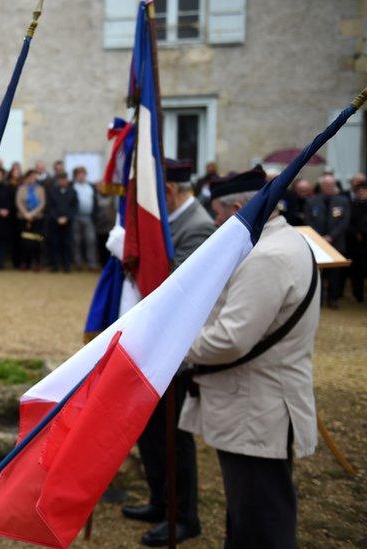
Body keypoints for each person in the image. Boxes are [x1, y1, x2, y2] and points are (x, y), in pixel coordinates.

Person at [180, 170, 320, 549]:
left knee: (262, 523)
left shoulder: (267, 257)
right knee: (247, 517)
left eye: (217, 214)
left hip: (257, 409)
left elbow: (229, 340)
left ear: (239, 209)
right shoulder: (279, 243)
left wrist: (175, 344)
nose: (213, 223)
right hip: (255, 405)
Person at [124, 159, 213, 546]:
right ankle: (160, 500)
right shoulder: (172, 221)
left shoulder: (198, 227)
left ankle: (183, 516)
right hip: (154, 345)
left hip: (177, 348)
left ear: (171, 192)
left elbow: (177, 285)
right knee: (150, 430)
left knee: (174, 437)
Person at [304, 174, 350, 308]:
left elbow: (344, 222)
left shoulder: (343, 201)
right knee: (317, 274)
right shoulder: (311, 201)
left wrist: (331, 236)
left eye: (331, 185)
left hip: (336, 243)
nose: (329, 187)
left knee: (335, 274)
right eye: (326, 185)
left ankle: (333, 299)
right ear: (321, 186)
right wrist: (319, 238)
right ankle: (317, 300)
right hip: (317, 243)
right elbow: (308, 221)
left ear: (335, 185)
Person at [46, 172, 77, 272]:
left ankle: (66, 266)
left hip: (68, 223)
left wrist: (66, 218)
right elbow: (50, 207)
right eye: (60, 179)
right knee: (54, 244)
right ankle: (55, 266)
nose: (62, 181)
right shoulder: (52, 191)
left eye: (64, 179)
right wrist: (57, 218)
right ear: (58, 180)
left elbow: (74, 207)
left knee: (67, 244)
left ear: (67, 180)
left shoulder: (72, 192)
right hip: (54, 222)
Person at [15, 169, 46, 270]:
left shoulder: (40, 189)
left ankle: (36, 263)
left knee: (37, 241)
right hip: (23, 218)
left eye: (34, 177)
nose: (33, 179)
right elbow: (18, 202)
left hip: (37, 219)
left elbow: (42, 203)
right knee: (24, 242)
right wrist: (26, 214)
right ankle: (24, 263)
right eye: (31, 177)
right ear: (27, 177)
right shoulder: (21, 189)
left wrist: (32, 214)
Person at [71, 166, 99, 270]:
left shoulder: (91, 187)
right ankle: (77, 262)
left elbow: (95, 202)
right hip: (76, 217)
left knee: (91, 240)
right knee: (76, 241)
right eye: (79, 174)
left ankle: (92, 263)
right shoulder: (72, 186)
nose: (81, 176)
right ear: (75, 176)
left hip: (89, 218)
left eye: (83, 174)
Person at [348, 180, 367, 302]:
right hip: (355, 244)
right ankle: (358, 295)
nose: (362, 193)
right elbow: (348, 222)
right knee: (356, 271)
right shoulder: (352, 205)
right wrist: (355, 233)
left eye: (364, 190)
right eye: (359, 191)